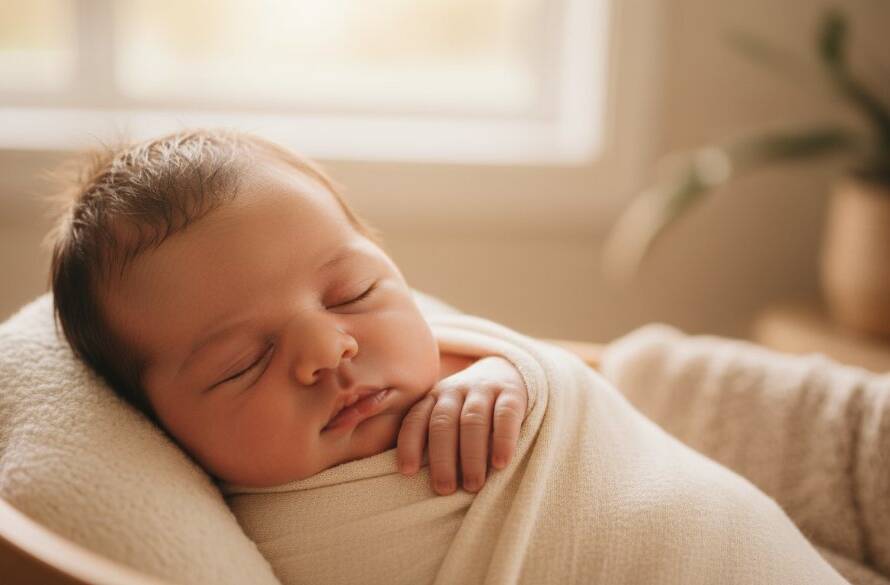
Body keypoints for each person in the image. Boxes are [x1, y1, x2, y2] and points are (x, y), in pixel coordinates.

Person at [47, 129, 529, 495]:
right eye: (243, 364)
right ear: (155, 425)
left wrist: (514, 377)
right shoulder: (212, 528)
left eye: (352, 293)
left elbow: (587, 384)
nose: (328, 350)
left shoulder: (470, 364)